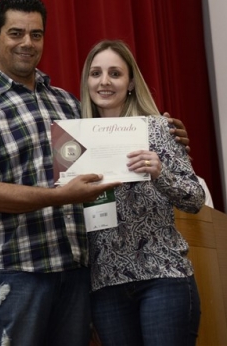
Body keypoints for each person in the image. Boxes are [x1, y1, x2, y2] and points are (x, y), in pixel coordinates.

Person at [0, 0, 192, 346]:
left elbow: (115, 142)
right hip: (18, 272)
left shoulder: (68, 104)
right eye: (15, 33)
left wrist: (164, 133)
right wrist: (61, 196)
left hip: (78, 273)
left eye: (36, 34)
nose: (27, 43)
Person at [80, 39, 205, 346]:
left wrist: (160, 173)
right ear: (87, 82)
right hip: (106, 286)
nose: (104, 82)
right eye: (96, 73)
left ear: (131, 83)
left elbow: (195, 199)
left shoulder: (158, 128)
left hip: (163, 276)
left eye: (115, 73)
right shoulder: (75, 140)